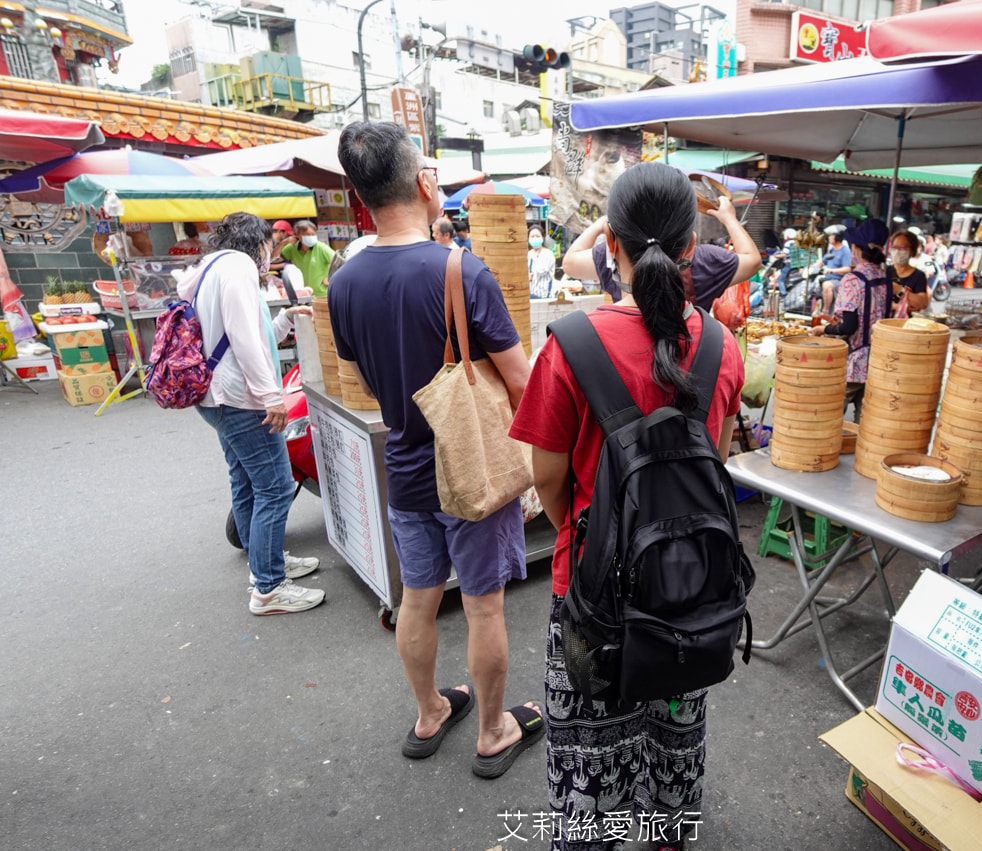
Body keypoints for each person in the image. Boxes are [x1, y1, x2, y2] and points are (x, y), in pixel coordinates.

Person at [509, 162, 744, 851]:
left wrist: (588, 537)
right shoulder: (722, 348)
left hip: (592, 596)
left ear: (610, 242)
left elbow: (549, 480)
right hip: (688, 591)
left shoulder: (571, 346)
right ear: (690, 243)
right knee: (674, 729)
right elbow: (716, 464)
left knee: (591, 749)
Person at [330, 121, 542, 779]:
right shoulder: (459, 269)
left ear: (359, 194)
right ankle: (493, 728)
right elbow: (522, 380)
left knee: (417, 597)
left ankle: (429, 713)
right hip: (472, 469)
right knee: (482, 604)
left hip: (407, 468)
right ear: (424, 183)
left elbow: (362, 381)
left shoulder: (343, 281)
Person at [179, 212, 324, 615]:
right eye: (270, 246)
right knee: (275, 487)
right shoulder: (239, 267)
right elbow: (243, 340)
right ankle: (269, 588)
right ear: (257, 243)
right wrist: (270, 397)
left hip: (215, 397)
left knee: (244, 482)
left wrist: (282, 320)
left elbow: (240, 334)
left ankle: (266, 563)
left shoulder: (211, 268)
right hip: (240, 399)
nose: (271, 255)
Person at [561, 194, 760, 311]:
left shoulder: (613, 256)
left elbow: (570, 263)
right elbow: (752, 261)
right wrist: (729, 219)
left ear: (612, 241)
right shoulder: (707, 260)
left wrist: (599, 224)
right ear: (690, 242)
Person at [812, 218, 891, 422]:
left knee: (830, 417)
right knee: (865, 422)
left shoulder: (852, 280)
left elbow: (849, 326)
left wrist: (824, 329)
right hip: (879, 360)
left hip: (855, 362)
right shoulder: (885, 278)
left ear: (856, 248)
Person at [280, 220, 335, 297]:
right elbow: (274, 258)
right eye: (307, 235)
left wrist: (330, 277)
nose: (311, 237)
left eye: (313, 234)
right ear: (297, 235)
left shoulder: (321, 248)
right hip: (303, 296)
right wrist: (283, 242)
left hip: (321, 295)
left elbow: (340, 263)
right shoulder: (292, 248)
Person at [887, 230, 931, 312]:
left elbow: (922, 303)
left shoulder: (918, 276)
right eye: (895, 247)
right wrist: (898, 306)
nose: (897, 251)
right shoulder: (885, 272)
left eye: (902, 248)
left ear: (912, 250)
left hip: (907, 323)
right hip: (883, 323)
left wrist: (900, 290)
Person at [818, 224, 853, 313]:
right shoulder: (831, 250)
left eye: (831, 235)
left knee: (827, 286)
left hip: (838, 280)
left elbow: (847, 268)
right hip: (826, 277)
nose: (829, 237)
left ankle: (825, 310)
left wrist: (832, 270)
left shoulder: (845, 251)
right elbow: (822, 261)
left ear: (837, 237)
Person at [527, 226, 557, 299]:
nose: (535, 238)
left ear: (542, 238)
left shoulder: (548, 254)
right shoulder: (529, 254)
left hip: (545, 295)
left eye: (537, 236)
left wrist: (535, 254)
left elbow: (541, 271)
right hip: (531, 293)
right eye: (532, 236)